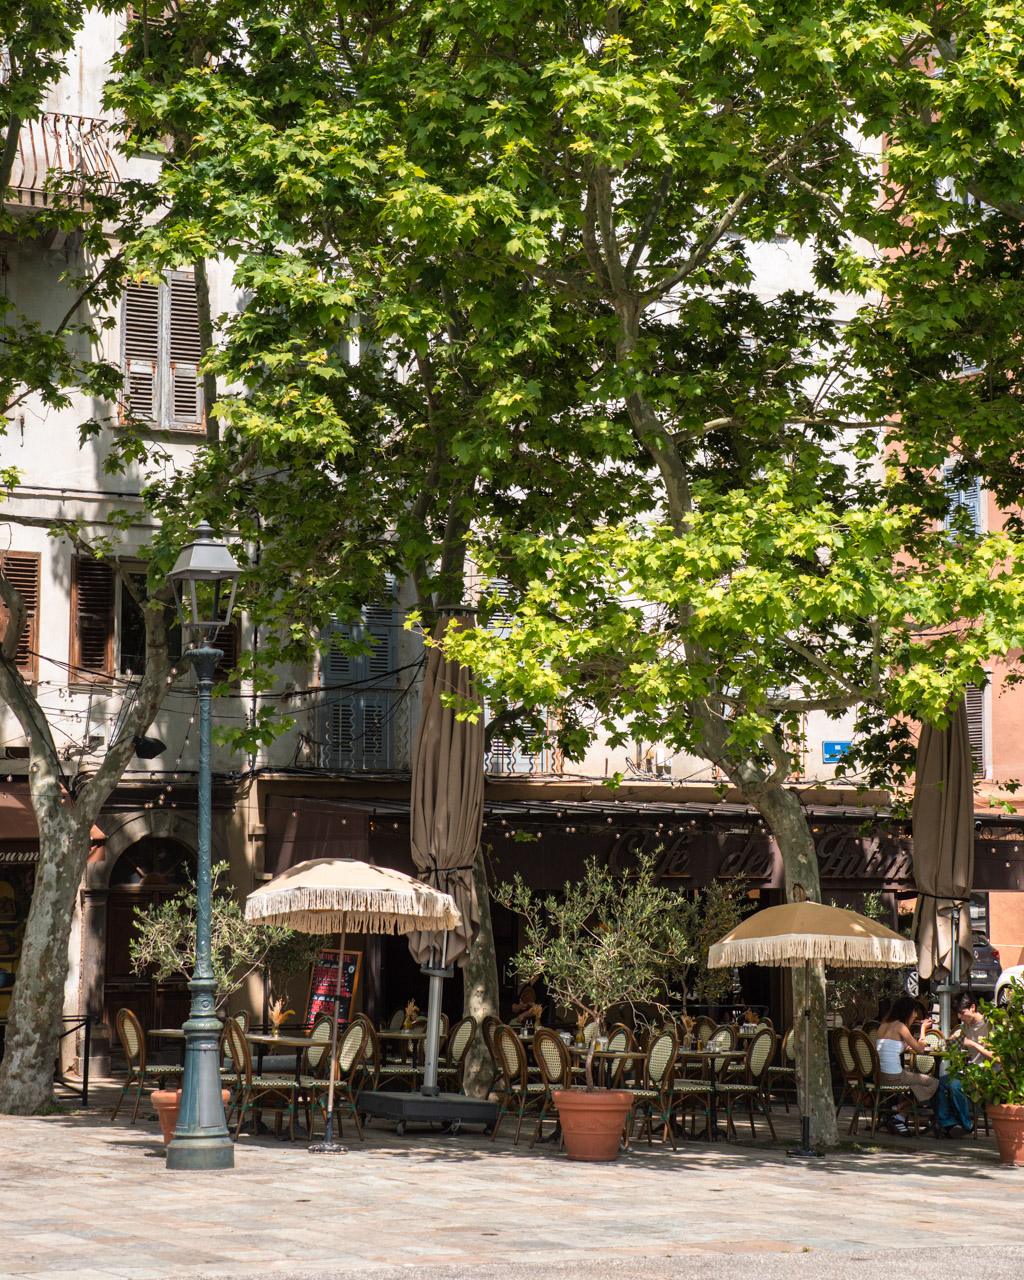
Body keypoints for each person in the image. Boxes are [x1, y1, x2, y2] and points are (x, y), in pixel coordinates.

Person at [876, 995, 939, 1134]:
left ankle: (896, 1111)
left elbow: (889, 1047)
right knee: (933, 1083)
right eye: (914, 1011)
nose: (916, 1015)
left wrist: (903, 1047)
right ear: (907, 1011)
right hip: (895, 1077)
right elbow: (920, 1049)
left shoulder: (883, 1025)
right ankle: (899, 1114)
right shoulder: (901, 1026)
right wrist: (923, 1029)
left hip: (880, 1076)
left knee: (916, 1085)